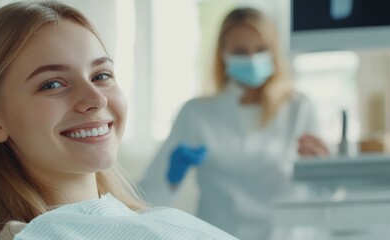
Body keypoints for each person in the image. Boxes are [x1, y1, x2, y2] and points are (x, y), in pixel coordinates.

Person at [0, 1, 237, 240]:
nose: (96, 99)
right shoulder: (45, 234)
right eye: (52, 84)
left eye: (101, 76)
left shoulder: (132, 219)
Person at [139, 7, 329, 240]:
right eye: (240, 51)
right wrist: (170, 178)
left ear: (274, 52)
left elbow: (325, 201)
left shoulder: (299, 108)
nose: (251, 59)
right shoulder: (197, 112)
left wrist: (324, 172)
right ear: (223, 54)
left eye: (260, 50)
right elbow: (146, 203)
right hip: (220, 233)